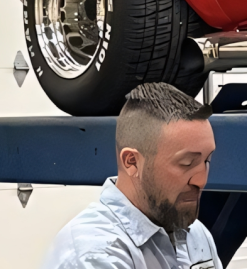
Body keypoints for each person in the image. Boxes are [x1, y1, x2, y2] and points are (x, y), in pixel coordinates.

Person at [41, 83, 220, 269]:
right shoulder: (94, 254)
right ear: (132, 162)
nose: (201, 180)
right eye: (186, 163)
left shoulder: (196, 234)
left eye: (207, 161)